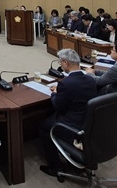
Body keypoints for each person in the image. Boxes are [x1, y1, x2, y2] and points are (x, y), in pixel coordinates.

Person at [39, 49, 97, 177]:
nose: (60, 65)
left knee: (44, 127)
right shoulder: (90, 79)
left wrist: (55, 93)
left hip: (72, 124)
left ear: (65, 63)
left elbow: (58, 105)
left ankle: (55, 167)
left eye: (60, 62)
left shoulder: (65, 84)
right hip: (89, 122)